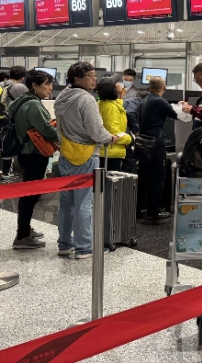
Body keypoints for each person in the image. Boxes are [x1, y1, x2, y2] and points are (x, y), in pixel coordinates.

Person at [55, 62, 118, 259]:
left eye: (94, 75)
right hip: (86, 155)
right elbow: (97, 132)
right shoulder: (87, 99)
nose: (94, 79)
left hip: (66, 153)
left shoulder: (62, 97)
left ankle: (65, 243)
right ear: (77, 79)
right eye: (90, 76)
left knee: (66, 202)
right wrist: (111, 138)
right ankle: (84, 247)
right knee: (84, 202)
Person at [9, 69, 58, 249]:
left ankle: (25, 229)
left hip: (26, 153)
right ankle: (22, 236)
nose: (50, 88)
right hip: (34, 154)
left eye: (51, 84)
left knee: (29, 195)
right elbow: (46, 131)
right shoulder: (33, 105)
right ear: (34, 86)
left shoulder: (23, 101)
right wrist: (62, 133)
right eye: (47, 84)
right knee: (30, 196)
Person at [138, 76, 177, 224]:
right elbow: (176, 115)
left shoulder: (145, 100)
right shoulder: (160, 101)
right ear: (164, 88)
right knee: (157, 177)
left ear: (149, 87)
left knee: (144, 177)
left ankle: (140, 209)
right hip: (156, 144)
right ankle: (154, 212)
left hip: (144, 143)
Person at [97, 77, 132, 172]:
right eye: (117, 84)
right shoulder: (111, 108)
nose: (120, 85)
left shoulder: (104, 103)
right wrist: (129, 139)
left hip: (107, 151)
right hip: (111, 152)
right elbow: (113, 133)